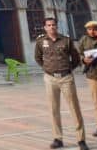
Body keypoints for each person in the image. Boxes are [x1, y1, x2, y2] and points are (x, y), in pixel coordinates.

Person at [34, 17, 88, 150]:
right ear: (45, 27)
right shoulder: (41, 41)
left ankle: (81, 139)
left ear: (56, 27)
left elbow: (75, 58)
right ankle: (58, 138)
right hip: (50, 78)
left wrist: (68, 69)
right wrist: (47, 68)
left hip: (66, 78)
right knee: (54, 109)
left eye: (53, 25)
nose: (51, 27)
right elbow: (38, 57)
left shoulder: (66, 40)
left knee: (74, 108)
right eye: (49, 25)